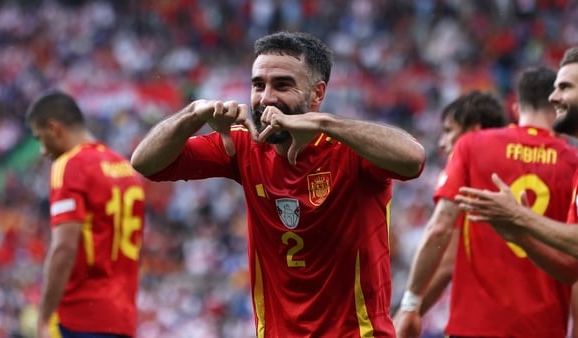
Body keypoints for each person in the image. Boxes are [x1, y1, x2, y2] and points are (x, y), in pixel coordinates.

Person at [130, 31, 426, 337]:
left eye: (282, 85)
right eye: (258, 85)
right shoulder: (244, 144)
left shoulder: (350, 148)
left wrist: (324, 123)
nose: (266, 98)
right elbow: (146, 162)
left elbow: (413, 158)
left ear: (317, 94)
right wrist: (194, 113)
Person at [394, 66, 578, 338]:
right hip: (543, 328)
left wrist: (410, 305)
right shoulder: (573, 163)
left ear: (516, 108)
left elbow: (440, 229)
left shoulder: (473, 146)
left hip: (474, 326)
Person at [26, 91, 146, 338]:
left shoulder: (70, 165)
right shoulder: (126, 169)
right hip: (122, 319)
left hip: (80, 317)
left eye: (40, 138)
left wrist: (44, 318)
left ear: (54, 127)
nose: (42, 150)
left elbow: (64, 248)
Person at [395, 90, 508, 328]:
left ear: (474, 132)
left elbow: (447, 260)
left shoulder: (469, 175)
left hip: (481, 319)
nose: (442, 143)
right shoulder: (518, 172)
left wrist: (407, 312)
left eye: (448, 131)